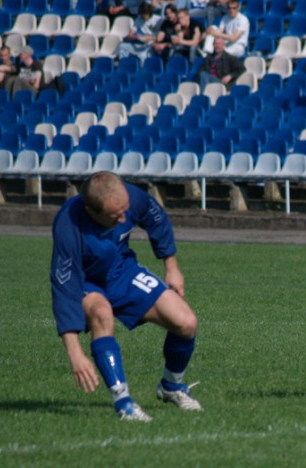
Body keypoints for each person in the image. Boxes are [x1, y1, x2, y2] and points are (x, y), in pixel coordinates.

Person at [50, 172, 202, 421]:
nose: (123, 219)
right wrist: (75, 353)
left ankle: (171, 386)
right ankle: (124, 403)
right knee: (101, 314)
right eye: (115, 216)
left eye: (125, 211)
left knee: (186, 322)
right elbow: (64, 289)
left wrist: (171, 266)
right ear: (91, 210)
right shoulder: (69, 225)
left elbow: (155, 217)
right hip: (86, 280)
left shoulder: (130, 196)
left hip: (122, 271)